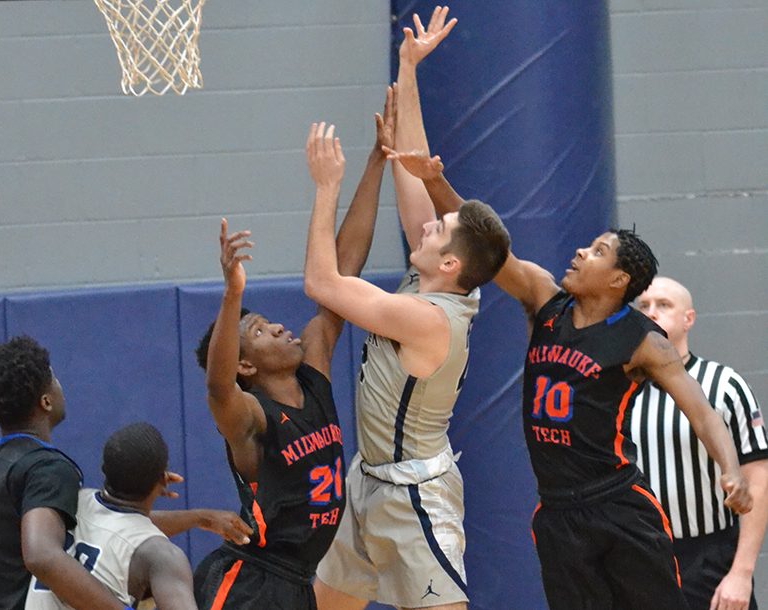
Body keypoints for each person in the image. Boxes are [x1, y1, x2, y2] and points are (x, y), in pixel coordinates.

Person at [391, 154, 755, 608]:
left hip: (619, 504)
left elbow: (701, 412)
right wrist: (435, 180)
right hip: (558, 509)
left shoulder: (642, 342)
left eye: (599, 252)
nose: (582, 252)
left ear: (618, 279)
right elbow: (489, 247)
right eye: (588, 246)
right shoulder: (544, 297)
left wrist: (730, 468)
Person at [306, 10, 512, 610]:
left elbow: (323, 280)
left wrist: (326, 189)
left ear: (449, 263)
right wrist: (407, 66)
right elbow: (411, 163)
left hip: (415, 495)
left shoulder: (427, 316)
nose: (426, 226)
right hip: (367, 481)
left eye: (438, 229)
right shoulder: (447, 279)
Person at [191, 88, 395, 610]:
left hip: (300, 581)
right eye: (258, 331)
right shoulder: (251, 417)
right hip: (250, 582)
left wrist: (376, 161)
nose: (279, 328)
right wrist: (233, 293)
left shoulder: (314, 367)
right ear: (244, 364)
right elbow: (217, 388)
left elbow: (342, 273)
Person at [631, 277, 768, 610]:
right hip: (638, 559)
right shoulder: (617, 391)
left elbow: (758, 477)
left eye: (664, 305)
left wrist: (741, 572)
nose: (652, 313)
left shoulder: (724, 384)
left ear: (687, 319)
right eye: (644, 306)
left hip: (709, 558)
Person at [0, 335, 129, 610]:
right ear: (46, 401)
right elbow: (42, 555)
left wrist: (198, 518)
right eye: (54, 379)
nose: (61, 386)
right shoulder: (45, 468)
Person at [25, 422, 198, 610]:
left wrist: (200, 518)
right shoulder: (162, 555)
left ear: (103, 469)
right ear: (163, 479)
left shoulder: (67, 502)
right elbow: (128, 532)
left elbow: (117, 525)